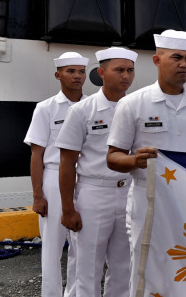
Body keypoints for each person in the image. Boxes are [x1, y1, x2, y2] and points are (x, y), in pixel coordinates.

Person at [106, 30, 186, 297]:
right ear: (157, 61)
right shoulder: (133, 104)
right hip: (149, 206)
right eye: (177, 57)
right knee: (147, 271)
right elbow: (113, 157)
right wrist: (135, 160)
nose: (184, 64)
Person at [55, 47, 136, 297]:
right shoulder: (82, 110)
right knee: (87, 267)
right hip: (94, 193)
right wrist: (68, 208)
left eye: (130, 70)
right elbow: (67, 162)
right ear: (101, 72)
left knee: (124, 267)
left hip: (128, 193)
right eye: (119, 70)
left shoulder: (137, 108)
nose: (126, 76)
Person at [25, 51, 88, 297]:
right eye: (71, 71)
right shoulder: (46, 108)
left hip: (85, 179)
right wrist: (37, 195)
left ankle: (74, 294)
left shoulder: (92, 106)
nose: (77, 76)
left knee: (81, 245)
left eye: (81, 71)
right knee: (52, 246)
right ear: (58, 74)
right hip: (53, 178)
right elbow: (36, 155)